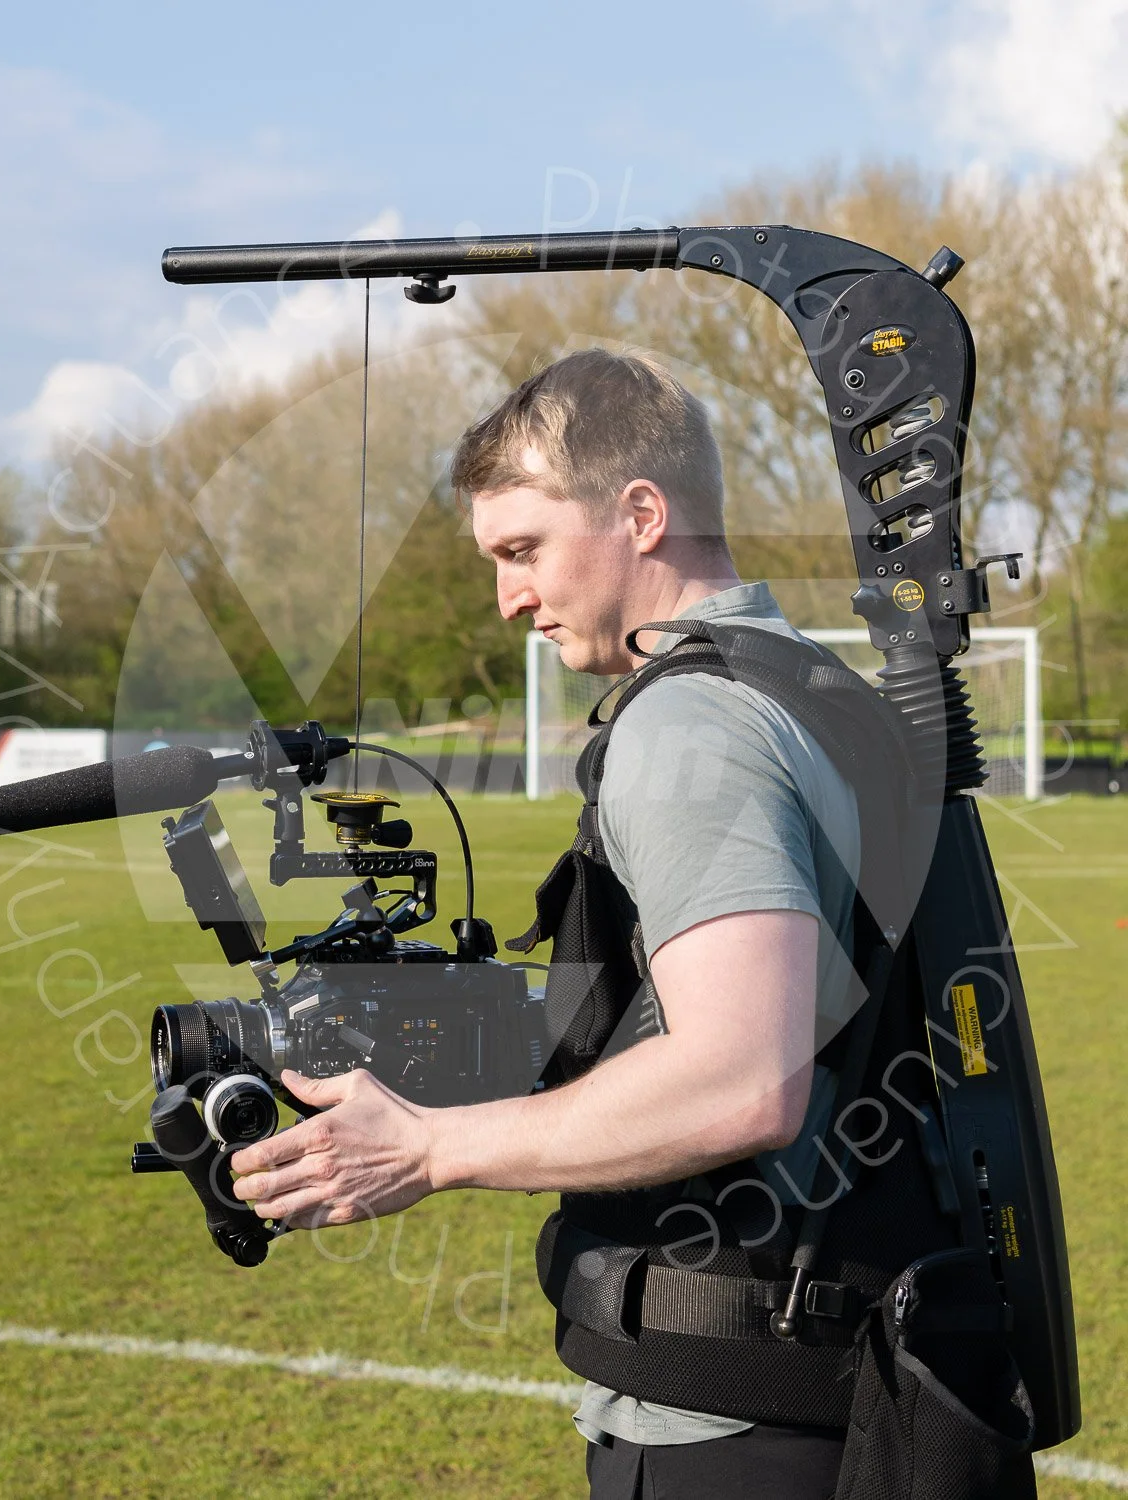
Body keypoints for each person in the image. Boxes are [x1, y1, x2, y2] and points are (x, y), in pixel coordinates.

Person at [230, 348, 874, 1498]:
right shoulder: (812, 686)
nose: (509, 598)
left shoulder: (692, 728)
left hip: (743, 1417)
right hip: (850, 1365)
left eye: (523, 550)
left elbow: (743, 1078)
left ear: (640, 513)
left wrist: (431, 1148)